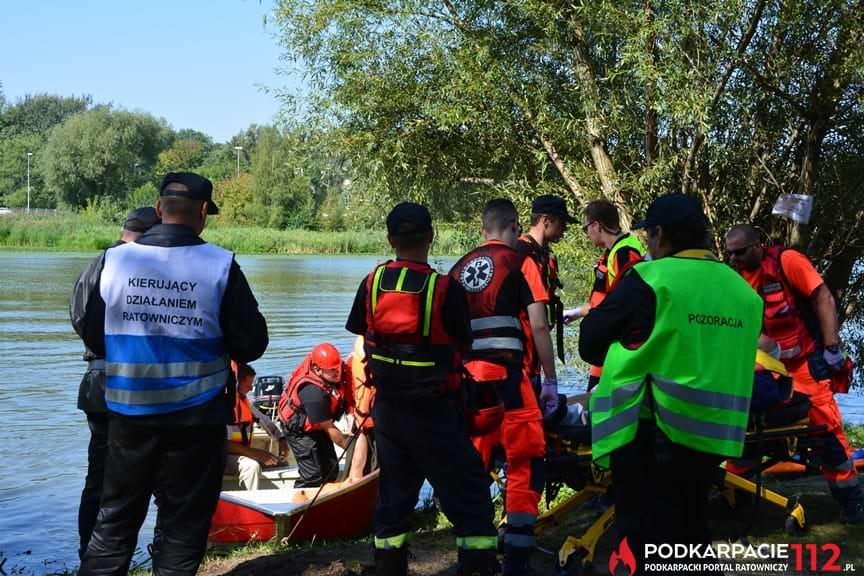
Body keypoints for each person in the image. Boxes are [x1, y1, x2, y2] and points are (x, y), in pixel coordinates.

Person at [71, 172, 268, 574]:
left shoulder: (114, 260)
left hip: (129, 414)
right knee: (182, 526)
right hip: (196, 420)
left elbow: (93, 332)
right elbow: (251, 343)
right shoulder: (220, 264)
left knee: (114, 522)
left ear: (160, 209)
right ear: (202, 213)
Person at [580, 194, 762, 575]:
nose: (647, 244)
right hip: (713, 436)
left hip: (651, 432)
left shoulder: (650, 278)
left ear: (659, 234)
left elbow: (590, 342)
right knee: (691, 532)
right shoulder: (743, 292)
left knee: (646, 543)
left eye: (648, 236)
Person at [346, 202, 499, 576]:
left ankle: (388, 566)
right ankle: (478, 567)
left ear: (389, 239)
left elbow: (363, 337)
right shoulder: (444, 288)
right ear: (431, 236)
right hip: (434, 410)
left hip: (389, 411)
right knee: (470, 492)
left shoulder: (371, 283)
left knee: (394, 497)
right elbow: (464, 346)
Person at [725, 224, 864, 524]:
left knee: (826, 430)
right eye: (730, 254)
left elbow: (823, 297)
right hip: (766, 368)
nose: (734, 258)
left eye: (740, 252)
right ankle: (734, 495)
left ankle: (851, 503)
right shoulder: (735, 279)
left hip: (805, 364)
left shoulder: (787, 262)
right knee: (747, 429)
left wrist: (832, 347)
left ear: (757, 244)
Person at [451, 198, 558, 575]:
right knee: (525, 461)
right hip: (510, 381)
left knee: (471, 465)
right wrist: (551, 381)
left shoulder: (458, 269)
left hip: (467, 383)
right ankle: (516, 556)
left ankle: (472, 556)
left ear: (482, 231)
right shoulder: (522, 262)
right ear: (514, 227)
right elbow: (540, 326)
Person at [70, 206, 160, 560]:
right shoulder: (139, 266)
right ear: (147, 234)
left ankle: (88, 554)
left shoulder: (96, 265)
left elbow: (78, 315)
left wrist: (103, 347)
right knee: (143, 472)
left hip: (96, 380)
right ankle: (126, 552)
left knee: (99, 474)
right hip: (132, 381)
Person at [566, 199, 644, 391]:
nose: (586, 235)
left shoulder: (625, 253)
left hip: (618, 348)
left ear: (597, 225)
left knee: (601, 405)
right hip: (607, 345)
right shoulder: (613, 252)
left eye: (586, 229)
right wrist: (575, 312)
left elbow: (627, 306)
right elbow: (605, 301)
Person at [278, 343, 350, 488]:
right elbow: (329, 429)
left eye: (338, 368)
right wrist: (351, 448)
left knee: (331, 469)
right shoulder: (313, 392)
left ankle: (327, 499)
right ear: (317, 369)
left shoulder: (333, 371)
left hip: (318, 423)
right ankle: (299, 500)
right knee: (312, 476)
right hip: (299, 430)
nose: (338, 373)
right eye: (332, 371)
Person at [516, 194, 573, 366]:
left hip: (536, 346)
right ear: (545, 220)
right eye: (562, 223)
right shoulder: (520, 252)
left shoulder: (546, 255)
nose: (565, 229)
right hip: (522, 345)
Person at [227, 361, 288, 490]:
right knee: (251, 466)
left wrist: (281, 439)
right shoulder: (223, 405)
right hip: (224, 457)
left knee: (282, 464)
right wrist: (257, 454)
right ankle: (249, 505)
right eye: (248, 384)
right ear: (237, 382)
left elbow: (265, 421)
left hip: (244, 454)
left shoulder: (244, 401)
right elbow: (225, 444)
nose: (251, 388)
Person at [342, 335, 377, 479]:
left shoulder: (352, 360)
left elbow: (348, 392)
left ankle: (353, 482)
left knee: (356, 465)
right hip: (373, 421)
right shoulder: (378, 366)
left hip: (359, 419)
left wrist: (350, 413)